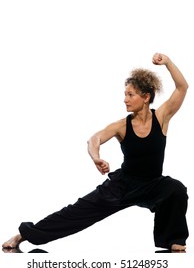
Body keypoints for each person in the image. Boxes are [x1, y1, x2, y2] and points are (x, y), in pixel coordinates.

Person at [2, 53, 189, 252]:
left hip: (153, 183)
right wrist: (96, 157)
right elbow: (95, 139)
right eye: (125, 94)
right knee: (76, 213)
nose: (125, 99)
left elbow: (182, 87)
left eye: (130, 94)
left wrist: (168, 62)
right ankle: (24, 235)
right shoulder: (121, 126)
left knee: (176, 189)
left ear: (146, 97)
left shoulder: (161, 117)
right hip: (122, 185)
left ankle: (173, 240)